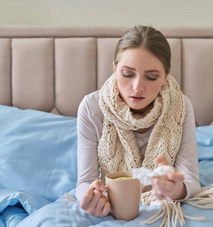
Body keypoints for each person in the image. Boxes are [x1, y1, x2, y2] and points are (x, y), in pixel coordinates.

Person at [75, 25, 201, 218]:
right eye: (127, 74)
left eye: (151, 77)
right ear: (115, 69)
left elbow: (191, 180)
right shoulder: (91, 108)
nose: (137, 87)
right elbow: (85, 181)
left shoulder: (181, 107)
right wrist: (90, 197)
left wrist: (175, 190)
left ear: (166, 76)